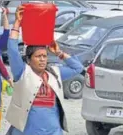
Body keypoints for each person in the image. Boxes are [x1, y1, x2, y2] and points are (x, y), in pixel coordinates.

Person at [5, 6, 84, 135]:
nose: (42, 59)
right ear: (29, 60)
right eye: (38, 56)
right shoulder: (23, 73)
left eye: (44, 56)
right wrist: (18, 23)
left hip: (53, 131)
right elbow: (12, 50)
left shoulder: (55, 73)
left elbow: (78, 68)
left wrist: (59, 52)